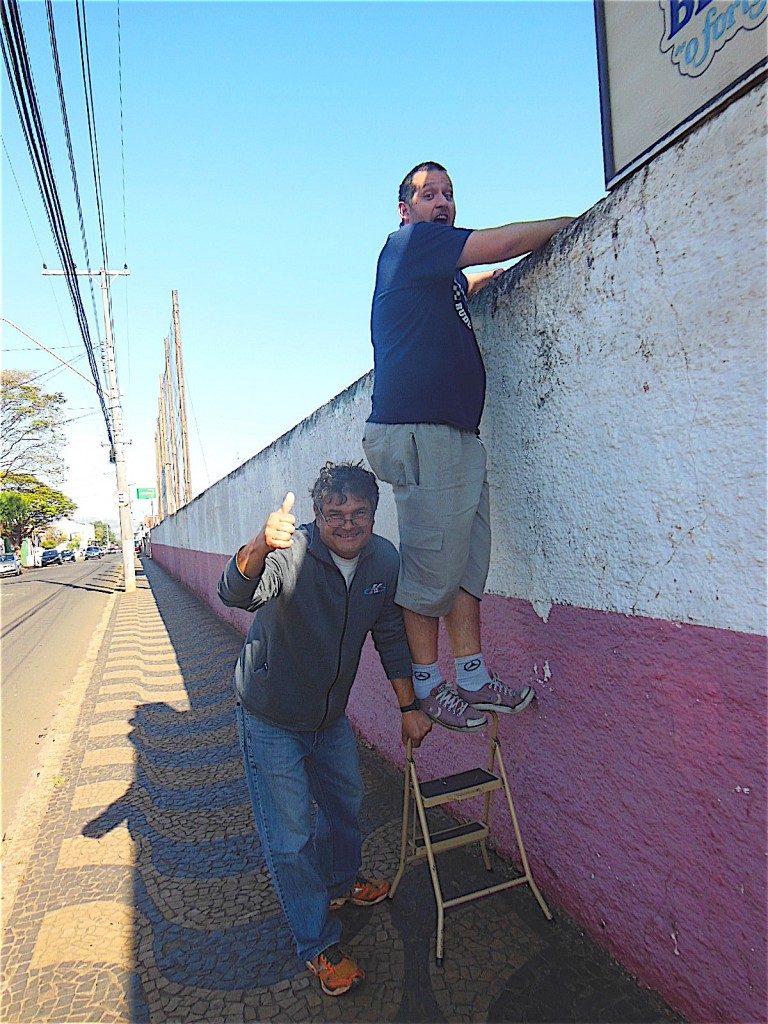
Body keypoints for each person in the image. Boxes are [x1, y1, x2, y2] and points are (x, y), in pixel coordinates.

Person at [363, 161, 574, 731]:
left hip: (454, 435)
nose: (443, 203)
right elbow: (502, 243)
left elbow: (472, 280)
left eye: (449, 195)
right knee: (430, 568)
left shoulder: (439, 274)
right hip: (422, 429)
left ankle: (474, 675)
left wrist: (483, 280)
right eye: (429, 195)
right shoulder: (410, 244)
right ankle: (429, 684)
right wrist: (574, 223)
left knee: (463, 567)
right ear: (406, 211)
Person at [218, 461, 432, 997]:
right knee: (289, 838)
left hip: (329, 716)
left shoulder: (383, 558)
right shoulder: (291, 550)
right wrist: (261, 545)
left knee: (346, 807)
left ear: (374, 514)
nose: (347, 524)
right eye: (334, 514)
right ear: (317, 516)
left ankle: (340, 884)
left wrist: (409, 705)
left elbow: (387, 631)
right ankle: (316, 943)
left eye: (359, 513)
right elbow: (235, 593)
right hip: (270, 715)